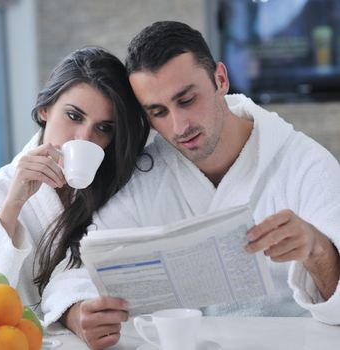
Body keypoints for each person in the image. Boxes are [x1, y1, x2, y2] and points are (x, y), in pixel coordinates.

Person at [44, 21, 340, 349]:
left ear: (221, 79)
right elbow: (76, 268)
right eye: (157, 112)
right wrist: (77, 312)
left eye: (187, 100)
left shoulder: (305, 164)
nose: (178, 126)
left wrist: (318, 249)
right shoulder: (148, 173)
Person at [0, 47, 150, 327]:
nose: (85, 137)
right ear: (45, 109)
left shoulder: (122, 186)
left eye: (103, 128)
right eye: (74, 116)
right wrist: (12, 207)